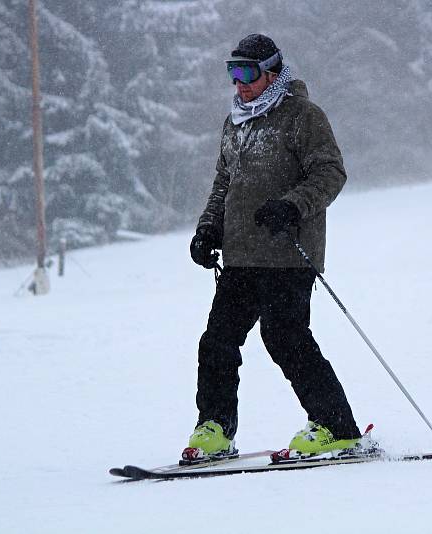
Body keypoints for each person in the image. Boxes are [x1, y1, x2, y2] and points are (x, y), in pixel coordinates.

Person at [184, 34, 363, 462]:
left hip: (287, 254)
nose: (238, 83)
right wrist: (209, 229)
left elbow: (331, 174)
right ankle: (215, 429)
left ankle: (337, 428)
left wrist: (291, 206)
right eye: (232, 72)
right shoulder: (236, 122)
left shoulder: (302, 116)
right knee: (217, 342)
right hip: (240, 256)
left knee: (284, 338)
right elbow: (223, 184)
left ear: (272, 72)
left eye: (246, 73)